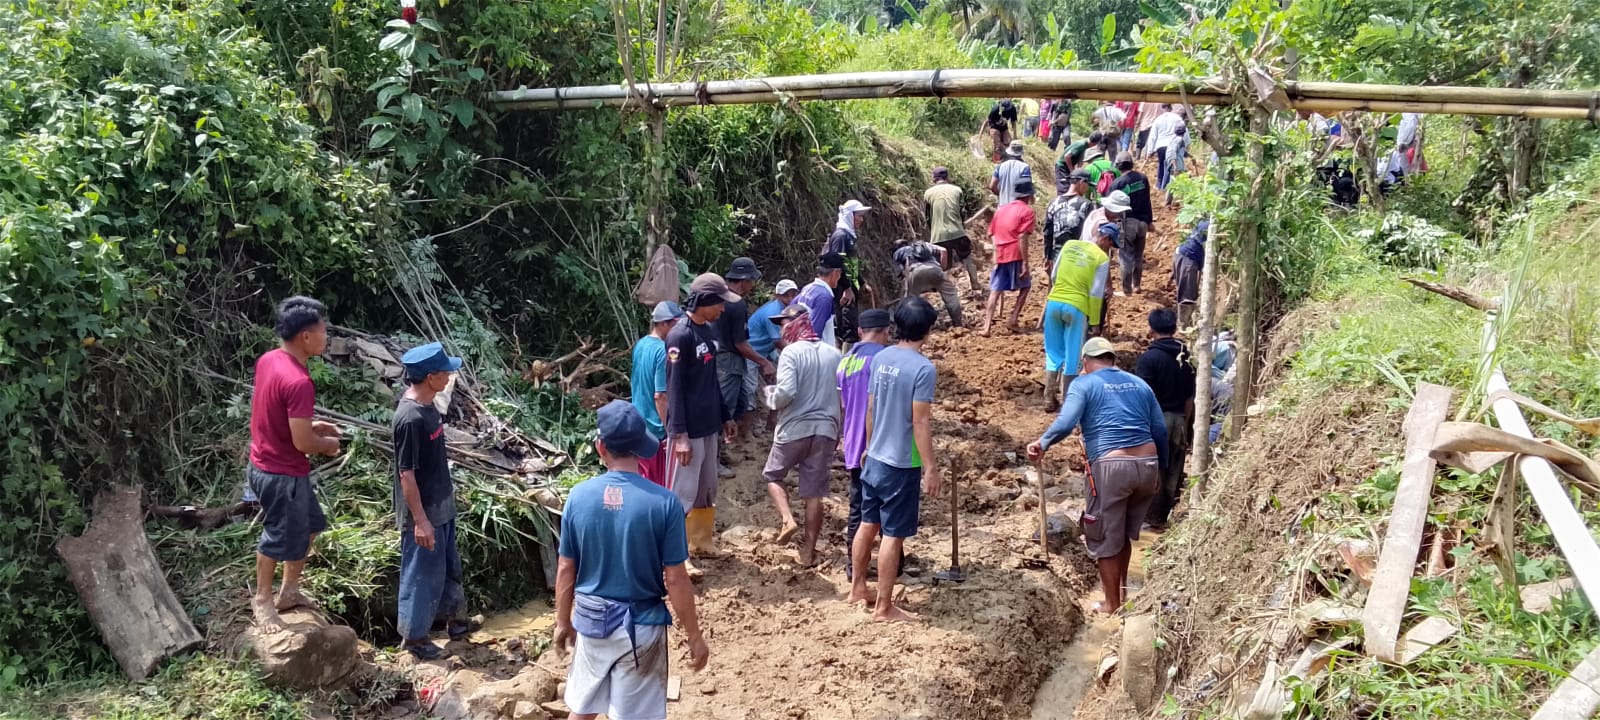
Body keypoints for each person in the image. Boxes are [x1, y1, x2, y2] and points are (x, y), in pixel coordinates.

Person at [555, 401, 709, 720]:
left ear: (601, 447)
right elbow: (676, 578)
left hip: (591, 622)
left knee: (582, 710)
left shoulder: (578, 498)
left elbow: (566, 567)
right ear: (641, 449)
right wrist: (694, 635)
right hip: (641, 628)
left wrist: (562, 621)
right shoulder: (664, 503)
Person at [1026, 336, 1168, 615]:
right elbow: (1160, 430)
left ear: (1086, 362)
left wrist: (1042, 443)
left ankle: (1111, 604)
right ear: (1112, 359)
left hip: (1111, 467)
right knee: (1123, 534)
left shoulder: (1084, 383)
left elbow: (1066, 422)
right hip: (1147, 465)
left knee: (1104, 537)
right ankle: (1124, 594)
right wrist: (1160, 469)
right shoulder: (1139, 383)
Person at [247, 296, 341, 630]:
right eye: (322, 330)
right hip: (280, 473)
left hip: (265, 462)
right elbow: (303, 444)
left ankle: (289, 591)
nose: (325, 337)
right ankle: (262, 599)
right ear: (306, 336)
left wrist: (311, 426)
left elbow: (274, 414)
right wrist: (327, 444)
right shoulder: (300, 382)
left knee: (312, 526)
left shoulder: (270, 359)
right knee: (276, 537)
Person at [848, 298, 943, 622]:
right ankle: (884, 607)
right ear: (928, 330)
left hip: (874, 456)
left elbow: (871, 407)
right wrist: (930, 467)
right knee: (892, 534)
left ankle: (858, 587)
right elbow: (920, 422)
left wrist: (869, 445)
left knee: (867, 523)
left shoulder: (882, 357)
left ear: (896, 326)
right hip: (901, 463)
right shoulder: (923, 368)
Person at [393, 342, 466, 659]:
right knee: (421, 573)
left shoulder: (429, 406)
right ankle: (415, 638)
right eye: (446, 371)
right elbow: (406, 476)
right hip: (423, 512)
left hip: (441, 503)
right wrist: (420, 521)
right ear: (431, 376)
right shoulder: (410, 419)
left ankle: (458, 623)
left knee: (449, 567)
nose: (451, 375)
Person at [666, 274, 741, 567]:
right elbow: (673, 389)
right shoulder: (680, 336)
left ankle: (702, 542)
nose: (722, 310)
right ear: (704, 302)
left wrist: (726, 416)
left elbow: (712, 381)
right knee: (682, 492)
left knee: (706, 488)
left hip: (709, 425)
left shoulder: (709, 332)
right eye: (719, 304)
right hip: (689, 430)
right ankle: (677, 553)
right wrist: (680, 435)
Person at [760, 303, 843, 566]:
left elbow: (785, 393)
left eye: (784, 323)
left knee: (773, 475)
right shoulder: (834, 354)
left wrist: (768, 396)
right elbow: (841, 396)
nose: (782, 328)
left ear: (796, 324)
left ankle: (787, 518)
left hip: (795, 428)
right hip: (826, 429)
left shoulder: (791, 353)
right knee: (813, 493)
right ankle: (808, 551)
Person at [837, 309, 894, 582]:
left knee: (857, 507)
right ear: (887, 331)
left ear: (860, 331)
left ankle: (852, 567)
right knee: (888, 506)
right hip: (880, 444)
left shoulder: (846, 361)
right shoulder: (884, 359)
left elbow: (844, 404)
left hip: (853, 443)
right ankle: (893, 566)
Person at [1042, 223, 1116, 407]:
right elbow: (1096, 292)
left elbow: (1054, 276)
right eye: (1111, 245)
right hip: (1077, 307)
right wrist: (1095, 322)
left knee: (1053, 352)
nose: (1111, 249)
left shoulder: (1069, 245)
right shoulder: (1101, 258)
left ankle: (1048, 398)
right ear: (1105, 239)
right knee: (1073, 356)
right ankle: (1068, 402)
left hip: (1054, 303)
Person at [1134, 309, 1195, 529]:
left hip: (1155, 419)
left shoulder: (1149, 359)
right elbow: (1190, 397)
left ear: (1151, 330)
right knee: (1175, 467)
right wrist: (1186, 425)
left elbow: (1142, 396)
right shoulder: (1186, 358)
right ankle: (1168, 518)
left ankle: (1151, 519)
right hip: (1179, 419)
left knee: (1153, 468)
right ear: (1174, 329)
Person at [715, 257, 776, 448]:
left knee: (740, 403)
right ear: (744, 280)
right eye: (752, 280)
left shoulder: (719, 297)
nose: (753, 284)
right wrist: (764, 362)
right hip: (729, 360)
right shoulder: (737, 303)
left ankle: (735, 441)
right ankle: (719, 453)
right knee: (726, 407)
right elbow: (740, 343)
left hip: (720, 357)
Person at [632, 301, 684, 487]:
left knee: (642, 479)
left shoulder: (641, 345)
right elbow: (660, 396)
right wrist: (671, 431)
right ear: (663, 324)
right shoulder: (663, 351)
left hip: (639, 422)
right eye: (675, 324)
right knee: (658, 484)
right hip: (656, 428)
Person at [982, 179, 1036, 337]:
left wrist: (995, 251)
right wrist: (1025, 262)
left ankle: (986, 327)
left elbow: (991, 233)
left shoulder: (1001, 210)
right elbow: (1022, 237)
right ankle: (1013, 319)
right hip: (1015, 253)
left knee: (995, 290)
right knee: (1025, 286)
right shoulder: (1027, 212)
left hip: (1000, 253)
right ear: (1029, 195)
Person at [823, 201, 872, 347]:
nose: (861, 220)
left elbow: (850, 265)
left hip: (849, 287)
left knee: (851, 325)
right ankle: (845, 363)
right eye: (859, 216)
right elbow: (839, 262)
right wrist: (846, 288)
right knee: (847, 328)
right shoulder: (840, 236)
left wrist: (862, 283)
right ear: (849, 216)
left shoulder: (848, 236)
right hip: (842, 290)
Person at [924, 167, 979, 288]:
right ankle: (975, 284)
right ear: (947, 177)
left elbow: (928, 217)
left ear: (934, 179)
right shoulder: (957, 190)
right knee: (967, 257)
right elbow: (962, 211)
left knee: (942, 265)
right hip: (957, 232)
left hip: (938, 235)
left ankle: (943, 289)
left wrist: (932, 230)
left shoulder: (928, 193)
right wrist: (961, 225)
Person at [894, 238, 964, 327]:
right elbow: (943, 250)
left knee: (910, 302)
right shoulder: (921, 245)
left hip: (914, 271)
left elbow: (901, 273)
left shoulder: (897, 253)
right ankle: (958, 323)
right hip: (934, 269)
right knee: (951, 296)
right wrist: (943, 268)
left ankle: (911, 327)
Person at [1043, 169, 1094, 269]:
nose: (1088, 188)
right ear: (1081, 182)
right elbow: (1089, 233)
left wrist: (1047, 256)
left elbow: (1047, 232)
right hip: (1078, 254)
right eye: (1088, 184)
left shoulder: (1054, 202)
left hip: (1057, 254)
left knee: (1057, 283)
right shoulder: (1086, 204)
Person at [796, 253, 844, 346]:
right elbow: (815, 334)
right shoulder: (824, 297)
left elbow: (789, 310)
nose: (840, 277)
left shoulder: (807, 288)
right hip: (818, 353)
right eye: (840, 273)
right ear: (835, 273)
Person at [748, 279, 798, 362]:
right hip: (754, 349)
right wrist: (797, 355)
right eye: (786, 295)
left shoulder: (788, 308)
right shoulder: (774, 313)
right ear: (778, 296)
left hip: (768, 345)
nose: (790, 299)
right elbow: (778, 341)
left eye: (793, 295)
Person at [1172, 219, 1207, 330]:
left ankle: (1185, 321)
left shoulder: (1203, 223)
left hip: (1182, 254)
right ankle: (1183, 324)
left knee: (1186, 290)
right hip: (1188, 259)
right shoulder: (1210, 225)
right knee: (1188, 294)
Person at [1147, 105, 1185, 186]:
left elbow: (1152, 136)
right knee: (1171, 165)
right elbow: (1184, 131)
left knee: (1162, 164)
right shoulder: (1177, 118)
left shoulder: (1158, 119)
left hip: (1161, 146)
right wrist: (1186, 144)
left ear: (1162, 108)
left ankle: (1160, 183)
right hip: (1173, 145)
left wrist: (1150, 151)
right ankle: (1168, 185)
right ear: (1171, 108)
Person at [989, 141, 1033, 206]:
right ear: (1020, 154)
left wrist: (1001, 194)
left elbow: (992, 186)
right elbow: (1026, 191)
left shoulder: (1000, 166)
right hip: (1016, 210)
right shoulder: (1024, 168)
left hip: (1002, 209)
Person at [1160, 125, 1190, 203]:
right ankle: (1184, 201)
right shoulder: (1179, 140)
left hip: (1174, 164)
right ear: (1184, 133)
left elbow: (1182, 152)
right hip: (1177, 165)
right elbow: (1172, 152)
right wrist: (1175, 166)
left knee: (1173, 183)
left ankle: (1168, 201)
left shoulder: (1174, 140)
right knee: (1183, 182)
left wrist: (1190, 156)